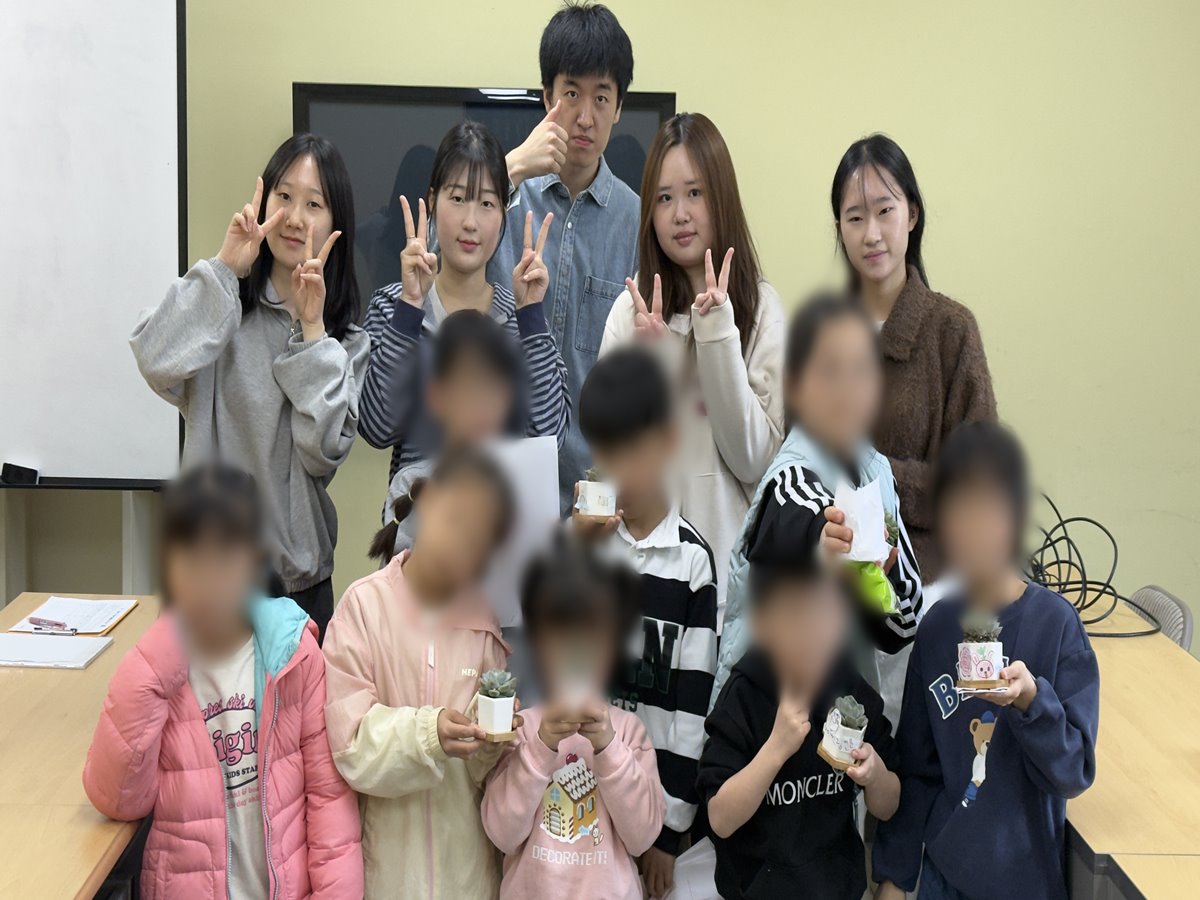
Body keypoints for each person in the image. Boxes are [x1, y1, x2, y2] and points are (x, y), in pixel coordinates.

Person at [82, 463, 362, 899]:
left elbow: (328, 798)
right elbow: (118, 799)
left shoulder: (294, 654)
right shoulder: (160, 669)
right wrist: (149, 671)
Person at [131, 134, 367, 643]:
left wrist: (311, 331)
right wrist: (223, 267)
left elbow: (323, 452)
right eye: (284, 196)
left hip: (299, 589)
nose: (295, 218)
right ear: (264, 204)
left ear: (336, 223)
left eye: (314, 204)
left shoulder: (345, 341)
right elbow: (153, 358)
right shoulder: (222, 311)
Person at [872, 423, 1100, 900]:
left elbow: (1074, 772)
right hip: (945, 876)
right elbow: (916, 769)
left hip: (1026, 880)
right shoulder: (936, 630)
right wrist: (894, 876)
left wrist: (1032, 702)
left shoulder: (1056, 627)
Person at [600, 112, 785, 615]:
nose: (680, 214)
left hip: (729, 596)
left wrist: (718, 332)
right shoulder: (630, 312)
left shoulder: (761, 309)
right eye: (664, 198)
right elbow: (615, 466)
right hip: (638, 589)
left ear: (721, 197)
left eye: (695, 193)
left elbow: (753, 460)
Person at [712, 293, 923, 717]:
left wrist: (878, 582)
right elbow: (799, 518)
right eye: (829, 371)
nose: (846, 390)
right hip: (761, 714)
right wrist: (827, 539)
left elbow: (905, 620)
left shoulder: (879, 474)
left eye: (861, 371)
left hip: (844, 714)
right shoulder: (790, 473)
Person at [322, 447, 519, 898]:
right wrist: (429, 734)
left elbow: (484, 778)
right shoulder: (364, 607)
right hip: (386, 877)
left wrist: (493, 741)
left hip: (468, 879)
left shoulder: (483, 623)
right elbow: (350, 745)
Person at [576, 347, 718, 898]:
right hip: (577, 788)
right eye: (601, 451)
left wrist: (669, 828)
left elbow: (692, 708)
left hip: (650, 803)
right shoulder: (585, 545)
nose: (614, 469)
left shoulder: (692, 563)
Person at [358, 120, 570, 490]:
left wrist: (531, 317)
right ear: (433, 200)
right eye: (457, 199)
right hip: (418, 524)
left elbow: (550, 439)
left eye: (487, 203)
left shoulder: (521, 319)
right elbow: (376, 428)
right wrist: (410, 306)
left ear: (503, 213)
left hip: (502, 522)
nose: (471, 222)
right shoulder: (392, 307)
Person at [490, 1, 640, 512]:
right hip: (496, 481)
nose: (585, 117)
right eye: (571, 93)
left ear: (619, 108)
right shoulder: (501, 199)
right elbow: (430, 267)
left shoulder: (637, 222)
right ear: (546, 97)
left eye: (602, 97)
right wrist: (507, 170)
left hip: (591, 489)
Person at [832, 134, 997, 580]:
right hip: (835, 583)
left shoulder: (952, 330)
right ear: (840, 229)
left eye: (885, 210)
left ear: (912, 214)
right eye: (855, 217)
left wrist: (877, 477)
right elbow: (800, 473)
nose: (871, 234)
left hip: (933, 584)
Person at [699, 555, 899, 900]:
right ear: (763, 624)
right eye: (796, 615)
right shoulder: (744, 695)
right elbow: (719, 819)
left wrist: (874, 774)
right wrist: (776, 749)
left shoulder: (850, 690)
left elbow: (889, 804)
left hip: (837, 887)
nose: (813, 633)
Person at [481, 534, 665, 900]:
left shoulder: (629, 732)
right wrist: (540, 748)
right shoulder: (522, 729)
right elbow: (502, 834)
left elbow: (643, 837)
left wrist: (609, 748)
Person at [368, 309, 525, 563]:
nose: (482, 405)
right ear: (437, 397)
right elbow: (398, 582)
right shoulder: (409, 483)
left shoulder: (522, 483)